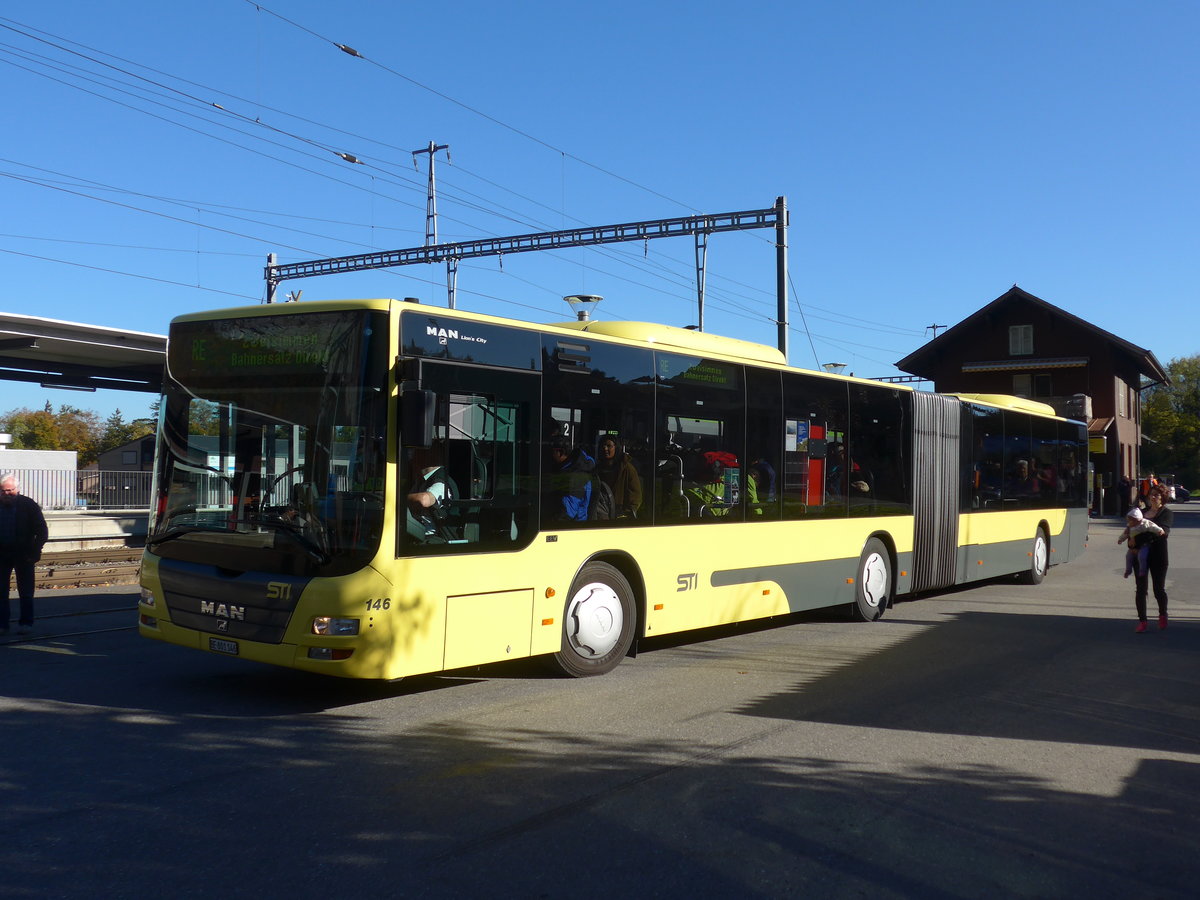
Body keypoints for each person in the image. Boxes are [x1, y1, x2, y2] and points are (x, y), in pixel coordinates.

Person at [0, 474, 49, 636]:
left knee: (26, 591)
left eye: (10, 490)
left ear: (17, 489)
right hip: (2, 553)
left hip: (24, 554)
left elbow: (42, 531)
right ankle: (2, 625)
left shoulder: (28, 505)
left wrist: (35, 551)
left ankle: (26, 623)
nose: (7, 494)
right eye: (3, 491)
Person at [1131, 482, 1173, 633]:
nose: (1153, 497)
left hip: (1158, 555)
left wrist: (1143, 532)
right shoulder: (1140, 512)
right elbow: (1131, 530)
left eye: (1157, 495)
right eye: (1151, 495)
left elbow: (1163, 532)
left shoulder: (1166, 513)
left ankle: (1163, 614)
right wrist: (1132, 543)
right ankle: (1142, 621)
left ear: (1163, 498)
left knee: (1158, 589)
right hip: (1140, 555)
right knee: (1141, 589)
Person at [547, 436, 594, 522]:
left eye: (552, 452)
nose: (549, 456)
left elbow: (568, 512)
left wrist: (548, 522)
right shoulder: (568, 469)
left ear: (560, 452)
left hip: (574, 526)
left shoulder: (576, 476)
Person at [595, 436, 642, 518]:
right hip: (600, 514)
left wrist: (627, 513)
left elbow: (635, 495)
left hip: (620, 516)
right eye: (603, 446)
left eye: (609, 446)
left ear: (616, 448)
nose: (605, 448)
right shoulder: (597, 469)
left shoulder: (627, 469)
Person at [1117, 507, 1163, 579]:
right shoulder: (1129, 526)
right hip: (1132, 546)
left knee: (1142, 556)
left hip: (1143, 545)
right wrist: (1121, 539)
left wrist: (1159, 530)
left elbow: (1153, 526)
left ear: (1138, 520)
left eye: (1131, 521)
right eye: (1128, 521)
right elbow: (1126, 533)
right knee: (1128, 557)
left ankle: (1142, 570)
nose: (1129, 523)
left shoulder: (1145, 523)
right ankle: (1128, 570)